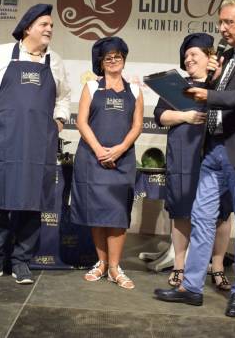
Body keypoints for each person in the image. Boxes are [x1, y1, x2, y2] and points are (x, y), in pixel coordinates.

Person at [154, 0, 235, 318]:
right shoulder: (225, 55)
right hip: (213, 150)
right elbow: (214, 96)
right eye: (221, 22)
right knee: (201, 219)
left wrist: (210, 92)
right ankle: (192, 288)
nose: (221, 29)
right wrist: (212, 77)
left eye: (228, 22)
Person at [0, 4, 71, 285]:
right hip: (4, 141)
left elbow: (64, 97)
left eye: (51, 26)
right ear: (27, 28)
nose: (49, 29)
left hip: (39, 144)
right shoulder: (1, 54)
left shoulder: (54, 61)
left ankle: (22, 261)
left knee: (32, 203)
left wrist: (57, 123)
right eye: (44, 24)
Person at [153, 33, 233, 291]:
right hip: (184, 154)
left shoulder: (222, 84)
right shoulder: (176, 85)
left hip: (216, 153)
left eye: (193, 55)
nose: (188, 60)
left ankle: (217, 266)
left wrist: (218, 79)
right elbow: (160, 116)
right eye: (185, 56)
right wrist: (185, 116)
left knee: (221, 213)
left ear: (210, 57)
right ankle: (179, 266)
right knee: (181, 211)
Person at [71, 37, 143, 290]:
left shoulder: (134, 89)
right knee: (98, 213)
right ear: (101, 63)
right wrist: (101, 151)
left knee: (117, 213)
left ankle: (115, 267)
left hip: (122, 160)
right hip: (93, 157)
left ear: (124, 59)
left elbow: (137, 126)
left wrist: (120, 149)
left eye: (118, 56)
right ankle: (101, 263)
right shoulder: (91, 87)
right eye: (108, 57)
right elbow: (81, 122)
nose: (114, 61)